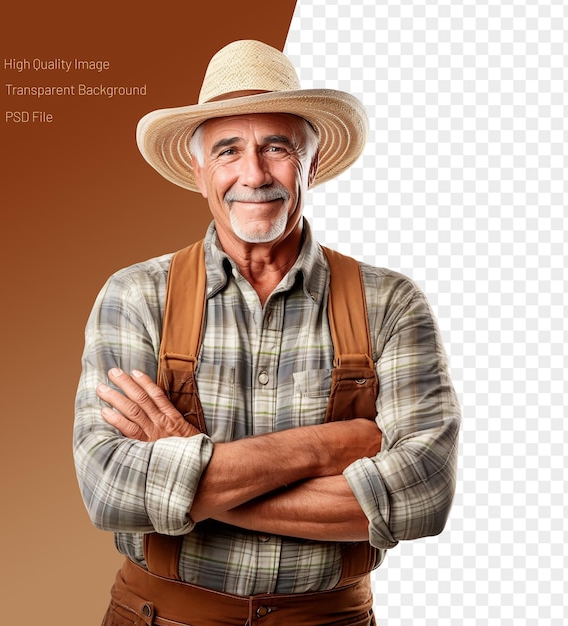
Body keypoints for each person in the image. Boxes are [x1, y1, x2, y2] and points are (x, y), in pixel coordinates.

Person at [74, 40, 461, 626]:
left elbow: (423, 497)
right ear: (201, 171)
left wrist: (183, 462)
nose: (253, 175)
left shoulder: (390, 302)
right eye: (228, 150)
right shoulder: (136, 296)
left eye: (277, 148)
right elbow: (111, 490)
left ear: (313, 164)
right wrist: (331, 445)